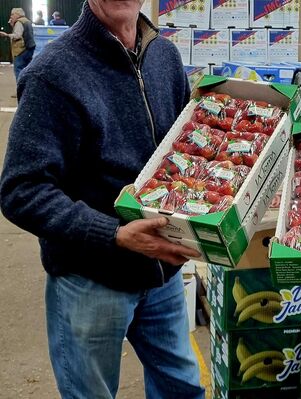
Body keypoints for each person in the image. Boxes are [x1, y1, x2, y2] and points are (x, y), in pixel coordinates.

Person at [0, 1, 205, 398]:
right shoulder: (54, 73)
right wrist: (113, 234)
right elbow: (21, 189)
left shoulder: (164, 54)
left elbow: (183, 153)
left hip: (160, 272)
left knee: (183, 388)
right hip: (90, 280)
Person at [0, 8, 36, 88]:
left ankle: (21, 90)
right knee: (27, 70)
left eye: (12, 14)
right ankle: (28, 90)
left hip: (21, 50)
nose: (11, 16)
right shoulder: (27, 21)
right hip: (30, 48)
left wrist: (6, 35)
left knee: (18, 70)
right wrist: (12, 25)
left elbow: (17, 36)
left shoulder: (19, 22)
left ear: (18, 14)